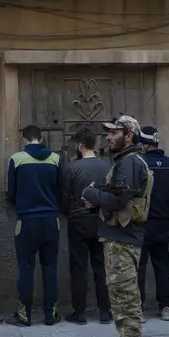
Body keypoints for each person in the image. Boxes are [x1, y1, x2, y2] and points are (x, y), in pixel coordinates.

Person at [82, 115, 152, 337]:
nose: (108, 137)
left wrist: (91, 194)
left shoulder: (130, 162)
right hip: (122, 236)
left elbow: (118, 199)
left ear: (129, 135)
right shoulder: (127, 161)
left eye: (114, 133)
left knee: (124, 301)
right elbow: (117, 195)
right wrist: (100, 198)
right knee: (127, 298)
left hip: (122, 239)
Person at [5, 125, 62, 327]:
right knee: (50, 267)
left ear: (24, 140)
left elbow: (10, 193)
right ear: (41, 138)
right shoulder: (55, 159)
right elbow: (61, 191)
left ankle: (24, 315)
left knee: (26, 268)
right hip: (51, 221)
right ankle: (50, 314)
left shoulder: (17, 159)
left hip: (26, 222)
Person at [61, 128, 112, 325]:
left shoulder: (72, 168)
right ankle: (105, 311)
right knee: (101, 266)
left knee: (79, 266)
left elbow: (65, 197)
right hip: (101, 221)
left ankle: (79, 312)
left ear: (80, 146)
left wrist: (68, 212)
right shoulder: (107, 166)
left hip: (78, 221)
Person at [137, 126, 169, 321]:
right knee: (162, 266)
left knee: (140, 266)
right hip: (163, 222)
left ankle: (139, 308)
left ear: (143, 145)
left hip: (143, 223)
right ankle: (166, 307)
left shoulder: (140, 163)